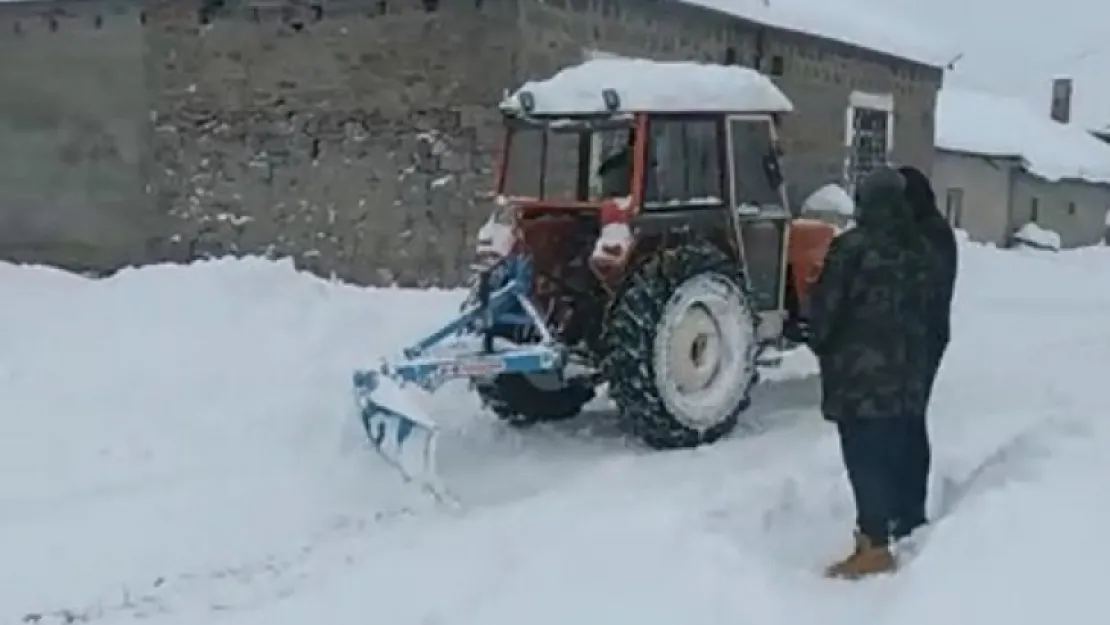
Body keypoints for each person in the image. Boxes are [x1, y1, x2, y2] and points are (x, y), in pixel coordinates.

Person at [806, 166, 935, 579]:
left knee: (865, 457)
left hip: (859, 376)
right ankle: (902, 521)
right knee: (897, 448)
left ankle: (874, 545)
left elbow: (825, 311)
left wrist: (818, 338)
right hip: (909, 372)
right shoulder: (920, 249)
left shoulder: (852, 248)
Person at [891, 165, 958, 541]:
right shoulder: (925, 229)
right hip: (915, 339)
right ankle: (901, 508)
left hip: (924, 340)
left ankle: (911, 512)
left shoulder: (930, 234)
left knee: (910, 421)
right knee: (904, 422)